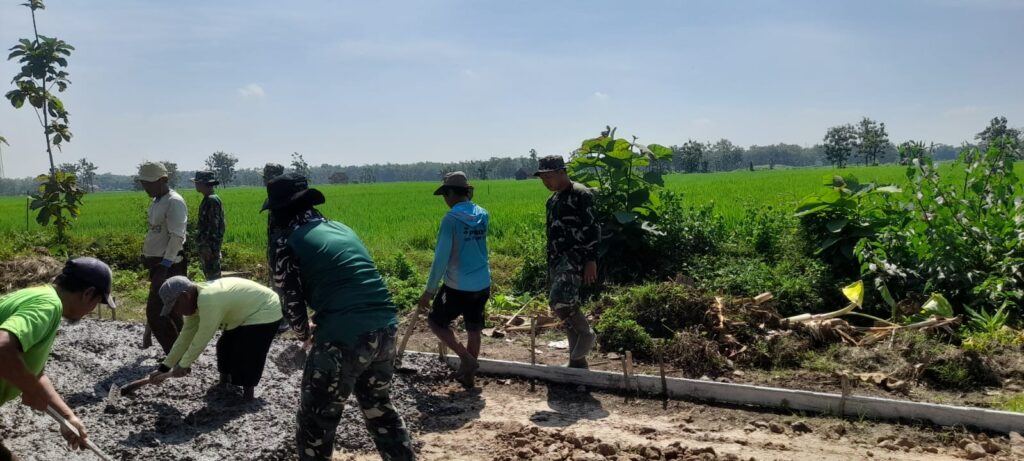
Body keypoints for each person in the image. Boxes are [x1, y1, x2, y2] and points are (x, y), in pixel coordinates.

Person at [264, 173, 414, 461]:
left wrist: (304, 334)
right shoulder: (340, 228)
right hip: (385, 327)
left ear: (279, 211)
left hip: (342, 336)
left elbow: (291, 300)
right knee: (379, 407)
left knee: (315, 420)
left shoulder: (287, 240)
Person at [0, 257, 116, 460]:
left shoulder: (38, 296)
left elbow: (35, 374)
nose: (91, 312)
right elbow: (2, 348)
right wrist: (32, 390)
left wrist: (67, 417)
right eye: (97, 303)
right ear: (88, 294)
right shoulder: (48, 306)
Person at [148, 276, 282, 402]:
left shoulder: (208, 299)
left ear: (185, 296)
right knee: (224, 346)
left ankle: (247, 395)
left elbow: (202, 338)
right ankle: (225, 383)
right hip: (243, 313)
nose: (176, 312)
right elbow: (185, 337)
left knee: (248, 350)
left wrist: (183, 365)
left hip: (265, 308)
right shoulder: (194, 303)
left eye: (175, 306)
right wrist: (164, 367)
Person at [417, 171, 490, 388]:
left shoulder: (450, 220)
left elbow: (441, 258)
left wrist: (429, 291)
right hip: (482, 282)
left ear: (450, 193)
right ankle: (468, 376)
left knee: (435, 322)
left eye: (444, 195)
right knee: (473, 328)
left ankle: (466, 359)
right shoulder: (483, 214)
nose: (445, 200)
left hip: (458, 285)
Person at [534, 155, 599, 369]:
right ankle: (577, 362)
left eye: (549, 177)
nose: (545, 182)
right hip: (557, 259)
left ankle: (587, 334)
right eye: (542, 178)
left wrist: (591, 260)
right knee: (564, 309)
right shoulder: (552, 200)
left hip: (575, 257)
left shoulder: (581, 194)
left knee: (560, 300)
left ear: (562, 172)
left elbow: (592, 228)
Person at [137, 161, 188, 353]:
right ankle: (182, 355)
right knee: (172, 312)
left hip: (169, 266)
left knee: (156, 313)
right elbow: (158, 232)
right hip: (159, 265)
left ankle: (174, 356)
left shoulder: (174, 201)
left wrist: (164, 267)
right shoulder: (157, 201)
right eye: (144, 184)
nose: (146, 188)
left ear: (163, 180)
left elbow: (177, 236)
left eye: (149, 184)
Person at [192, 171, 225, 281]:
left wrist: (207, 246)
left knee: (213, 278)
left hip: (210, 247)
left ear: (203, 183)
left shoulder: (211, 200)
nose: (195, 185)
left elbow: (213, 226)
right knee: (210, 276)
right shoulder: (209, 198)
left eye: (197, 182)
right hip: (210, 246)